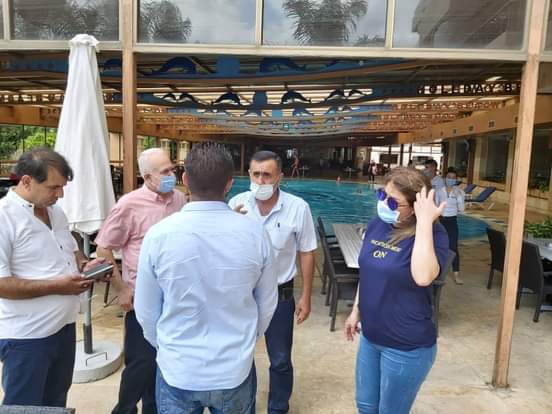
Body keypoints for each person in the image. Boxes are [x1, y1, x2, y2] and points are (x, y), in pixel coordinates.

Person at [135, 142, 277, 414]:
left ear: (185, 180)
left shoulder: (159, 235)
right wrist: (244, 342)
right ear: (229, 184)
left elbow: (146, 311)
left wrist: (168, 347)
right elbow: (267, 303)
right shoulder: (255, 234)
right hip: (234, 369)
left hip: (178, 369)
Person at [0, 148, 108, 407]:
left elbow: (70, 250)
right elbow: (2, 284)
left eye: (62, 187)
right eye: (53, 187)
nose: (60, 194)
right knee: (25, 407)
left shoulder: (55, 211)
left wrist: (86, 264)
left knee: (56, 401)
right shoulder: (4, 218)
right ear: (26, 181)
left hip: (64, 327)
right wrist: (59, 286)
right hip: (27, 336)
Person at [344, 166, 449, 414]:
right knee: (365, 406)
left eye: (393, 202)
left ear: (415, 207)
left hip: (405, 345)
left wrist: (424, 223)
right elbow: (368, 271)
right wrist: (356, 310)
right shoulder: (378, 224)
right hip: (371, 336)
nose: (384, 204)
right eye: (382, 195)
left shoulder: (434, 234)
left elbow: (423, 276)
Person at [95, 148, 187, 414]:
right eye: (165, 171)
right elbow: (103, 249)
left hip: (173, 297)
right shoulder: (129, 205)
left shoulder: (179, 199)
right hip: (140, 298)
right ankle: (124, 409)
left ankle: (152, 408)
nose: (172, 175)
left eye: (172, 169)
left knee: (163, 362)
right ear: (147, 176)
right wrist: (121, 288)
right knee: (140, 363)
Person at [229, 150, 317, 414]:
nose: (260, 180)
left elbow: (307, 251)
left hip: (281, 295)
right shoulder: (236, 205)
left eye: (267, 175)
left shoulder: (298, 208)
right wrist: (231, 225)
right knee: (241, 357)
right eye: (256, 174)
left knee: (280, 359)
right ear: (248, 174)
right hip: (244, 295)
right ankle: (245, 407)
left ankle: (278, 408)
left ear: (280, 177)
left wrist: (306, 296)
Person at [435, 167, 465, 285]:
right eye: (449, 177)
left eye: (453, 178)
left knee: (453, 247)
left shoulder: (459, 192)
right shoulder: (439, 191)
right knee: (438, 246)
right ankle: (436, 272)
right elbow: (436, 207)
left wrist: (459, 198)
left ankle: (456, 274)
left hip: (452, 222)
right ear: (445, 178)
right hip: (440, 221)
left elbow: (461, 210)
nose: (451, 179)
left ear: (456, 179)